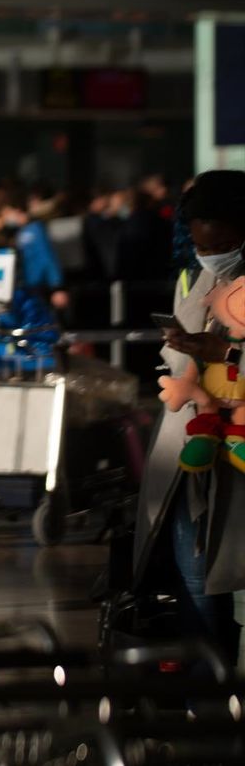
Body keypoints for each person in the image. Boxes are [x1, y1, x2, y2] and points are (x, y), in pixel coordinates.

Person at [132, 170, 245, 669]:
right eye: (201, 243)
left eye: (222, 242)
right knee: (194, 575)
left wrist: (220, 350)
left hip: (234, 449)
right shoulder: (192, 276)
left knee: (215, 570)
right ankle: (209, 698)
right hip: (189, 449)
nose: (211, 254)